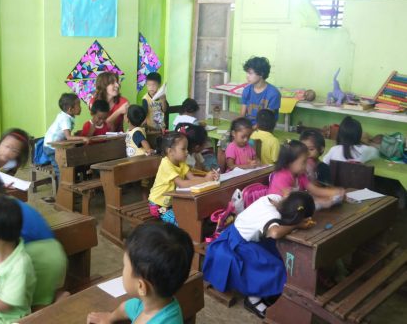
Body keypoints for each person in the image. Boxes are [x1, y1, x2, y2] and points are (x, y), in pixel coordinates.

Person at [0, 168, 67, 308]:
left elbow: (0, 257)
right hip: (49, 251)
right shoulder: (7, 206)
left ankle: (57, 304)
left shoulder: (1, 217)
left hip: (44, 258)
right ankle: (56, 299)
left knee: (34, 308)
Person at [203, 191, 316, 319]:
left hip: (251, 238)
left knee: (282, 257)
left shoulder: (276, 198)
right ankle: (253, 299)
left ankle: (270, 292)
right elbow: (274, 233)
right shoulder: (271, 214)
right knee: (275, 268)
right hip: (239, 244)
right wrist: (297, 225)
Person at [87, 222, 194, 324]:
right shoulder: (152, 303)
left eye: (125, 266)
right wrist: (110, 317)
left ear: (141, 286)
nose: (122, 272)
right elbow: (126, 308)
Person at [148, 133, 219, 225]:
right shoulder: (166, 164)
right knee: (180, 221)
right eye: (183, 149)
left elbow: (192, 178)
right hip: (157, 206)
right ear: (170, 152)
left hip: (172, 204)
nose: (187, 152)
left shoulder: (181, 163)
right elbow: (182, 184)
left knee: (191, 215)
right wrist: (206, 179)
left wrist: (210, 177)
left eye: (187, 148)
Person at [269, 140, 345, 209]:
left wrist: (336, 192)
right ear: (290, 162)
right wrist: (319, 201)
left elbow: (315, 190)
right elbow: (289, 202)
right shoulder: (282, 177)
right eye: (304, 162)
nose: (307, 165)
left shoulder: (300, 174)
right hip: (276, 211)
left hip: (293, 210)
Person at [43, 93, 88, 181]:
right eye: (78, 105)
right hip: (51, 147)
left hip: (56, 145)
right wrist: (83, 138)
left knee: (69, 164)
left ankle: (71, 182)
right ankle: (62, 190)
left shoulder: (67, 116)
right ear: (70, 109)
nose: (81, 107)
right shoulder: (65, 119)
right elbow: (68, 137)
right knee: (60, 169)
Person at [240, 56, 281, 125]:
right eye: (247, 73)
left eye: (250, 73)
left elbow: (266, 121)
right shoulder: (246, 90)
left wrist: (250, 130)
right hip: (248, 127)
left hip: (264, 128)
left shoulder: (274, 93)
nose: (247, 76)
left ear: (261, 74)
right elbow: (242, 115)